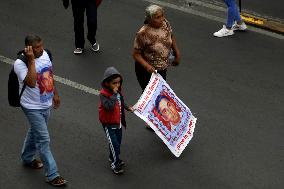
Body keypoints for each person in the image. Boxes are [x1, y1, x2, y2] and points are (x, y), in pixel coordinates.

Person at [14, 35, 67, 186]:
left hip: (46, 103)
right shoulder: (20, 63)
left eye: (41, 45)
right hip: (31, 107)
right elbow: (31, 82)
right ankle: (52, 174)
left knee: (35, 130)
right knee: (43, 139)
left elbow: (49, 74)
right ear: (28, 48)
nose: (41, 49)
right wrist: (31, 60)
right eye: (36, 47)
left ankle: (27, 158)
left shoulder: (46, 54)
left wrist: (55, 94)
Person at [133, 4, 180, 129]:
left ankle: (156, 118)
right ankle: (151, 120)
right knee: (150, 94)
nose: (161, 19)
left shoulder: (165, 24)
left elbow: (171, 36)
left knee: (161, 95)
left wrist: (177, 53)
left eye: (162, 16)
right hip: (146, 70)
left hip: (162, 67)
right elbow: (136, 54)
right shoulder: (143, 33)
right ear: (149, 19)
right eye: (157, 17)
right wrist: (147, 66)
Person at [98, 67, 133, 175]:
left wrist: (128, 108)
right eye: (114, 83)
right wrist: (113, 94)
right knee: (114, 144)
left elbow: (121, 102)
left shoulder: (118, 92)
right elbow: (109, 107)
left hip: (117, 123)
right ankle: (115, 164)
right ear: (107, 83)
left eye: (118, 83)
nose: (117, 85)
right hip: (109, 124)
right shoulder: (103, 94)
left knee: (117, 142)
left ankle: (112, 156)